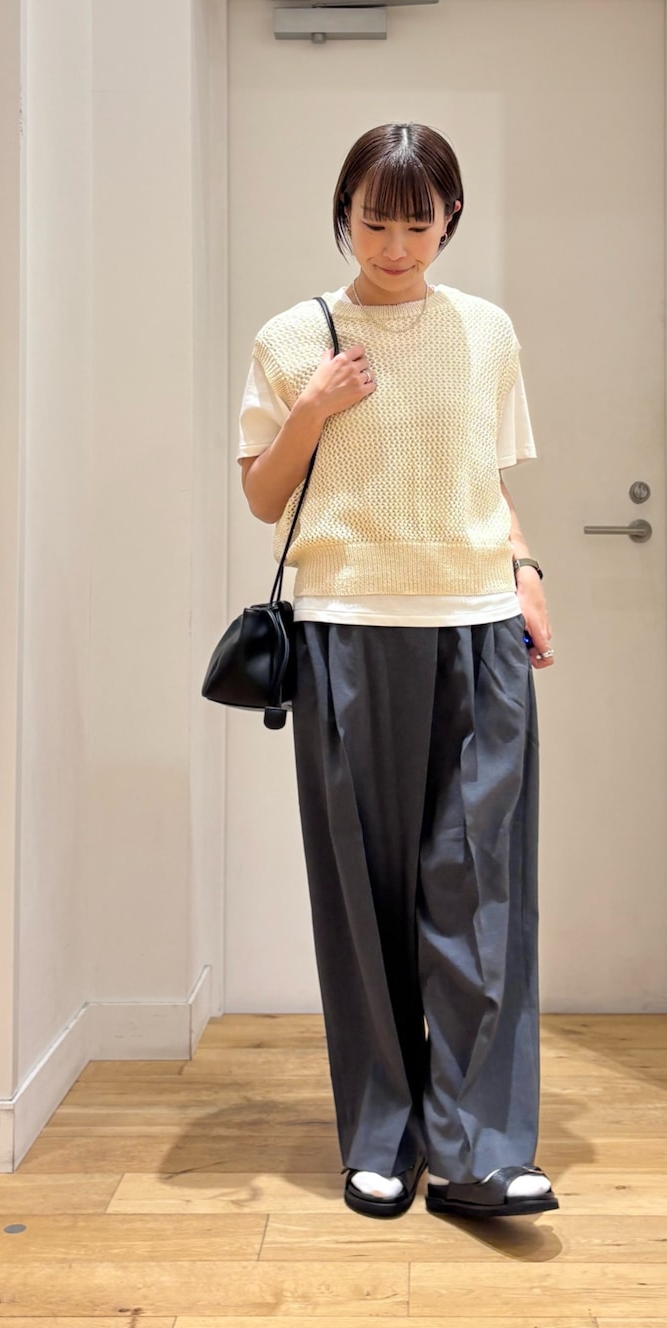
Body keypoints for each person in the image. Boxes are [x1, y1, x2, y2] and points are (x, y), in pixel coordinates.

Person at [237, 122, 558, 1221]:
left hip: (477, 625)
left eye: (417, 224)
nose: (394, 245)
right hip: (349, 628)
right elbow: (262, 495)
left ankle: (479, 1149)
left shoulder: (485, 331)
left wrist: (525, 570)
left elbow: (484, 479)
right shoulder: (293, 338)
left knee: (479, 887)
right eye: (374, 221)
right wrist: (315, 405)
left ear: (450, 218)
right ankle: (382, 1133)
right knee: (364, 892)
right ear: (345, 215)